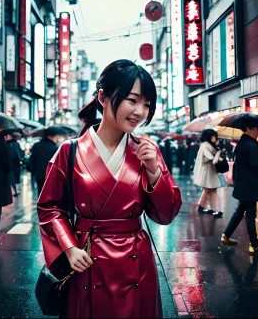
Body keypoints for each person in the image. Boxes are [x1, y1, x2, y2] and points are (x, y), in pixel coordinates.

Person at [37, 59, 182, 318]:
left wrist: (153, 171)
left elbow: (165, 214)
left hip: (136, 260)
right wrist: (69, 247)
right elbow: (49, 207)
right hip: (86, 256)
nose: (140, 111)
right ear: (102, 97)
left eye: (147, 104)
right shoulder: (69, 151)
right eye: (133, 100)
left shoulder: (148, 152)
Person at [221, 121, 258, 254]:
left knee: (241, 210)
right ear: (250, 128)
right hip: (250, 185)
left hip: (243, 183)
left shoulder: (241, 143)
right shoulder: (251, 144)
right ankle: (254, 245)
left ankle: (226, 235)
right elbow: (255, 165)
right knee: (250, 213)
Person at [193, 129, 223, 218]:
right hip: (207, 172)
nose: (214, 138)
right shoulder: (205, 146)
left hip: (210, 171)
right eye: (212, 136)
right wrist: (218, 152)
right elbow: (213, 160)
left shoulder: (207, 145)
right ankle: (212, 209)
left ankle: (203, 207)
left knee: (210, 190)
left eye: (215, 136)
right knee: (210, 190)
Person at [28, 127, 60, 195]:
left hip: (38, 174)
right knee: (50, 194)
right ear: (50, 136)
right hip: (51, 175)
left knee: (40, 192)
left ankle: (40, 205)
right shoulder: (55, 148)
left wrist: (33, 172)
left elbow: (32, 160)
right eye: (55, 136)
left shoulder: (36, 145)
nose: (56, 137)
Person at [5, 132, 23, 197]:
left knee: (11, 177)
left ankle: (14, 191)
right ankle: (15, 191)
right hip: (15, 164)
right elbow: (19, 154)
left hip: (9, 164)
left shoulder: (6, 144)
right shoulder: (16, 144)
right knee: (14, 178)